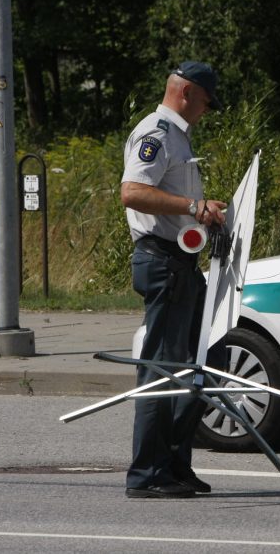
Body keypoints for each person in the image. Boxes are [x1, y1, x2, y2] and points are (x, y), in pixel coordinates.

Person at [120, 61, 227, 499]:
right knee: (163, 371)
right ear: (186, 93)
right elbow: (132, 191)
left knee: (196, 366)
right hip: (163, 262)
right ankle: (147, 474)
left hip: (180, 265)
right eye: (205, 102)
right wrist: (193, 205)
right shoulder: (157, 133)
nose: (206, 111)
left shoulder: (178, 135)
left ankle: (174, 465)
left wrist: (200, 208)